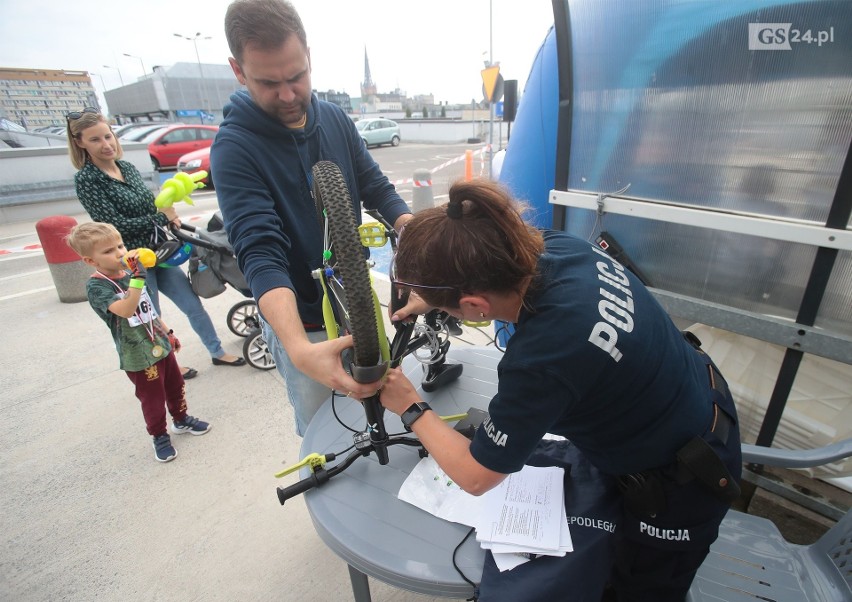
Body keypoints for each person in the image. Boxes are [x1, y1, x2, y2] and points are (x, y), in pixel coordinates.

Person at [379, 179, 743, 601]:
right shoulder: (554, 247)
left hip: (682, 483)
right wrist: (436, 296)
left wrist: (410, 406)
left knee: (640, 589)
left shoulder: (542, 358)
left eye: (448, 308)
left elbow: (476, 477)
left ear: (475, 306)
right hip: (699, 399)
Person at [211, 0, 412, 436]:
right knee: (326, 431)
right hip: (300, 317)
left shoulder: (336, 119)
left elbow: (376, 188)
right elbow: (260, 252)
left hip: (354, 302)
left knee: (381, 410)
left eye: (296, 76)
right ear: (238, 70)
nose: (287, 95)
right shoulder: (234, 148)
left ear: (309, 56)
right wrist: (299, 348)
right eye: (268, 82)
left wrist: (411, 227)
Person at [66, 108, 246, 378]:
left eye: (108, 136)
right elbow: (112, 225)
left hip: (160, 252)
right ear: (80, 143)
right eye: (95, 140)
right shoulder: (87, 180)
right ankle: (169, 364)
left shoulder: (126, 167)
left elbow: (149, 204)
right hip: (131, 259)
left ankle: (217, 352)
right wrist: (159, 217)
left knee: (192, 304)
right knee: (150, 315)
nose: (106, 145)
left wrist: (167, 214)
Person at [66, 222, 212, 463]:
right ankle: (159, 435)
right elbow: (125, 309)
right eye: (108, 251)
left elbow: (148, 310)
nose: (120, 253)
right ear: (90, 261)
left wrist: (169, 332)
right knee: (152, 398)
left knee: (175, 386)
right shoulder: (97, 286)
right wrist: (137, 279)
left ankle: (181, 419)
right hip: (138, 354)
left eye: (120, 245)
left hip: (158, 343)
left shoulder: (128, 274)